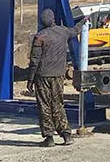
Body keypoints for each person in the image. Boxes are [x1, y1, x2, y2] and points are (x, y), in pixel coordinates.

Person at [26, 8, 86, 147]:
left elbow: (34, 61)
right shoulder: (63, 32)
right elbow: (75, 30)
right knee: (58, 104)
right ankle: (66, 135)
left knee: (44, 106)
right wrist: (83, 21)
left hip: (43, 76)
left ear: (42, 21)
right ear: (53, 19)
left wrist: (30, 80)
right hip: (58, 75)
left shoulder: (40, 37)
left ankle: (49, 138)